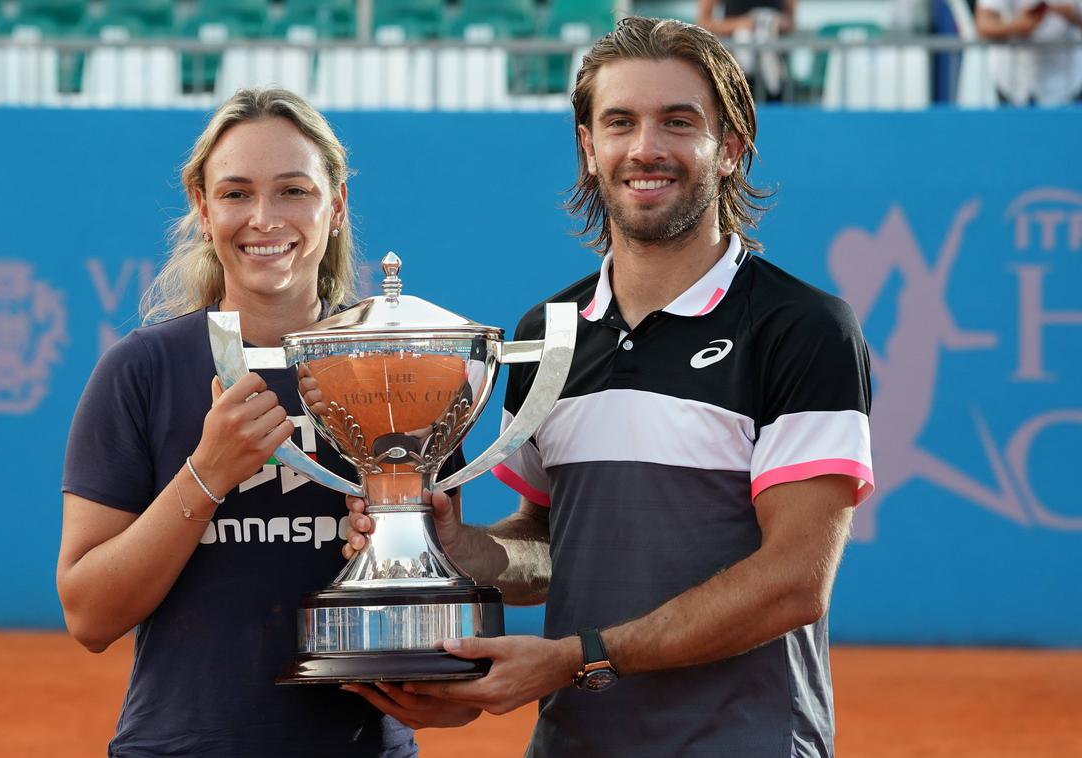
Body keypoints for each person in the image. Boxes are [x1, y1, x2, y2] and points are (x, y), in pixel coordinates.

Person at [341, 18, 874, 756]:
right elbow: (550, 549)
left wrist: (576, 657)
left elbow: (794, 580)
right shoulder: (547, 333)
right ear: (589, 150)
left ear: (731, 152)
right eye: (619, 122)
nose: (645, 148)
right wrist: (462, 548)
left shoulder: (803, 327)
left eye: (679, 123)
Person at [58, 87, 428, 757]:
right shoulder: (141, 371)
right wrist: (206, 475)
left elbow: (437, 661)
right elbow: (88, 614)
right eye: (235, 194)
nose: (264, 217)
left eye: (293, 190)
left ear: (335, 206)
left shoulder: (396, 368)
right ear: (203, 208)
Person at [975, 0, 1082, 105]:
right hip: (1013, 81)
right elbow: (983, 25)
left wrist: (1073, 16)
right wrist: (1017, 26)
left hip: (1070, 81)